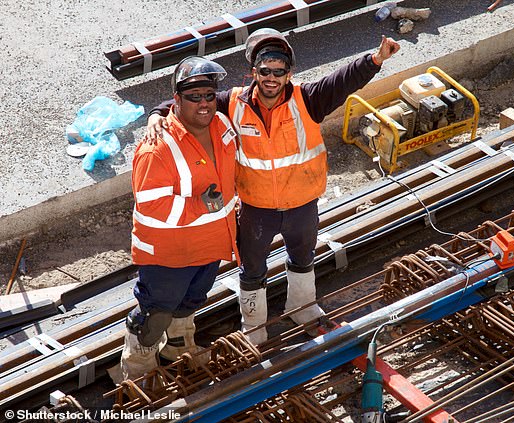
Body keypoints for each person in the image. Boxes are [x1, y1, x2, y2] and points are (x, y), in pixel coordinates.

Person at [145, 29, 400, 345]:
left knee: (303, 259)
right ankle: (254, 327)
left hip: (302, 206)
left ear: (289, 74)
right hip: (256, 209)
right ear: (253, 72)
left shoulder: (308, 99)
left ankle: (301, 307)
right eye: (265, 71)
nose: (271, 78)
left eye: (279, 72)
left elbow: (343, 80)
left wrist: (375, 59)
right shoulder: (232, 104)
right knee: (252, 271)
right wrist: (158, 114)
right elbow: (194, 98)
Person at [109, 56, 239, 384]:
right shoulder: (156, 148)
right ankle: (138, 372)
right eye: (194, 97)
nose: (204, 103)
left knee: (190, 301)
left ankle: (178, 349)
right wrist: (200, 206)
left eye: (209, 95)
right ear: (176, 101)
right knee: (156, 313)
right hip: (170, 254)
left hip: (211, 244)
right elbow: (151, 207)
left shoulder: (222, 126)